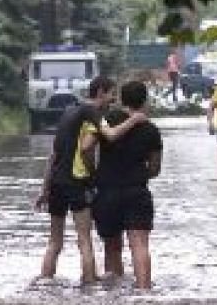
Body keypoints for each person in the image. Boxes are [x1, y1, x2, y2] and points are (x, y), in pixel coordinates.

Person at [34, 76, 143, 284]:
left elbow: (53, 155)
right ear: (101, 92)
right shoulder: (91, 113)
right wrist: (134, 120)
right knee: (84, 239)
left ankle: (45, 280)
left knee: (54, 241)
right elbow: (109, 136)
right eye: (112, 93)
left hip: (56, 183)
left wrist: (44, 189)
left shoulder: (68, 112)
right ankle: (89, 283)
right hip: (76, 182)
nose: (113, 99)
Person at [92, 81, 162, 290]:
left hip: (107, 192)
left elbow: (88, 148)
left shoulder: (107, 120)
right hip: (137, 191)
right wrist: (140, 173)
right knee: (139, 245)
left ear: (121, 99)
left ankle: (115, 297)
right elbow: (156, 168)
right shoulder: (150, 129)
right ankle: (143, 292)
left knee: (112, 248)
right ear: (144, 100)